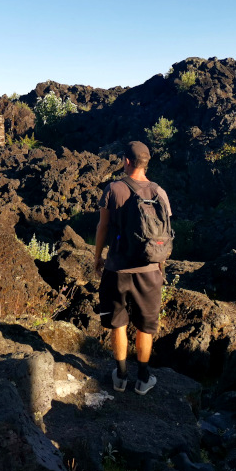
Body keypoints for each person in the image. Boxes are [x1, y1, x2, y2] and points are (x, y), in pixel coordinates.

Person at [94, 141, 172, 395]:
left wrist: (98, 257)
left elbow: (103, 227)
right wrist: (161, 267)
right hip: (150, 270)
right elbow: (165, 233)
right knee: (145, 326)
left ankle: (120, 376)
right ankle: (143, 378)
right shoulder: (159, 192)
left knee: (118, 323)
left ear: (127, 161)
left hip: (117, 270)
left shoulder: (114, 189)